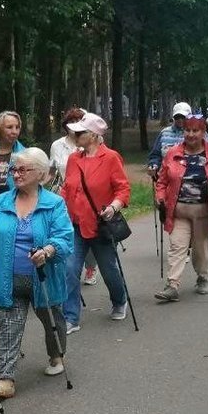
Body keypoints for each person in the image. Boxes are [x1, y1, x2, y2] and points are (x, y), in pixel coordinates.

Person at [0, 147, 73, 399]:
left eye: (23, 169)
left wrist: (47, 250)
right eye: (14, 169)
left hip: (43, 277)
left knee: (51, 321)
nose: (16, 174)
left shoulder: (54, 204)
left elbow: (65, 238)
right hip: (7, 278)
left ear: (42, 174)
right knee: (9, 328)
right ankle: (6, 379)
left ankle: (56, 355)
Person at [60, 111, 131, 333]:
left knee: (109, 270)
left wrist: (113, 207)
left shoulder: (110, 158)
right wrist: (56, 206)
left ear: (93, 135)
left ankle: (119, 300)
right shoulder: (73, 159)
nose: (76, 134)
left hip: (100, 226)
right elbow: (67, 188)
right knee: (70, 270)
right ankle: (70, 317)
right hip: (75, 224)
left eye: (81, 131)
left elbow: (123, 188)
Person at [154, 114, 208, 302]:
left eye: (195, 130)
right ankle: (172, 285)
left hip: (204, 212)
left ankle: (203, 277)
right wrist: (160, 197)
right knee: (177, 247)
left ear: (203, 132)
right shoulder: (173, 153)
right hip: (178, 211)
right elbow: (162, 181)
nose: (190, 134)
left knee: (201, 250)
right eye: (187, 130)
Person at [48, 107, 98, 285]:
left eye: (79, 123)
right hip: (64, 196)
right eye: (72, 123)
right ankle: (69, 270)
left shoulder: (90, 144)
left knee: (89, 233)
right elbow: (52, 171)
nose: (74, 127)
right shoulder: (57, 145)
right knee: (66, 234)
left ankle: (91, 266)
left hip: (88, 198)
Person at [146, 102, 191, 177]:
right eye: (177, 117)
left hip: (189, 177)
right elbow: (155, 154)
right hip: (166, 177)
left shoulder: (196, 134)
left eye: (183, 117)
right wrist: (153, 164)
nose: (180, 120)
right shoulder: (164, 133)